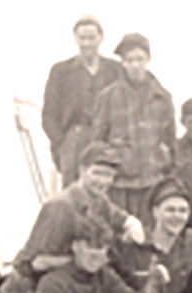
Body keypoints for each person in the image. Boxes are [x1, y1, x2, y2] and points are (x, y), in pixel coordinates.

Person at [2, 142, 144, 293]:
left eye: (109, 175)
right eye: (97, 173)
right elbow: (39, 262)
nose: (103, 181)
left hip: (73, 280)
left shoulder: (98, 199)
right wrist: (88, 260)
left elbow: (119, 217)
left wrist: (132, 223)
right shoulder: (61, 207)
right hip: (32, 291)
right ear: (82, 170)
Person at [91, 32, 176, 217]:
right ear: (122, 63)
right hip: (120, 185)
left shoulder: (162, 98)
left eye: (140, 59)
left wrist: (163, 161)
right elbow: (97, 143)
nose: (135, 65)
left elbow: (170, 141)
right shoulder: (108, 97)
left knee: (148, 236)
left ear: (148, 59)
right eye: (130, 60)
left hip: (153, 181)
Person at [42, 16, 120, 186]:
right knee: (74, 191)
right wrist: (62, 143)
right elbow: (49, 113)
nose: (87, 43)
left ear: (101, 38)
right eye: (82, 38)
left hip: (106, 140)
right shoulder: (61, 71)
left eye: (91, 38)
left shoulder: (115, 69)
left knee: (107, 188)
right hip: (74, 139)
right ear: (75, 39)